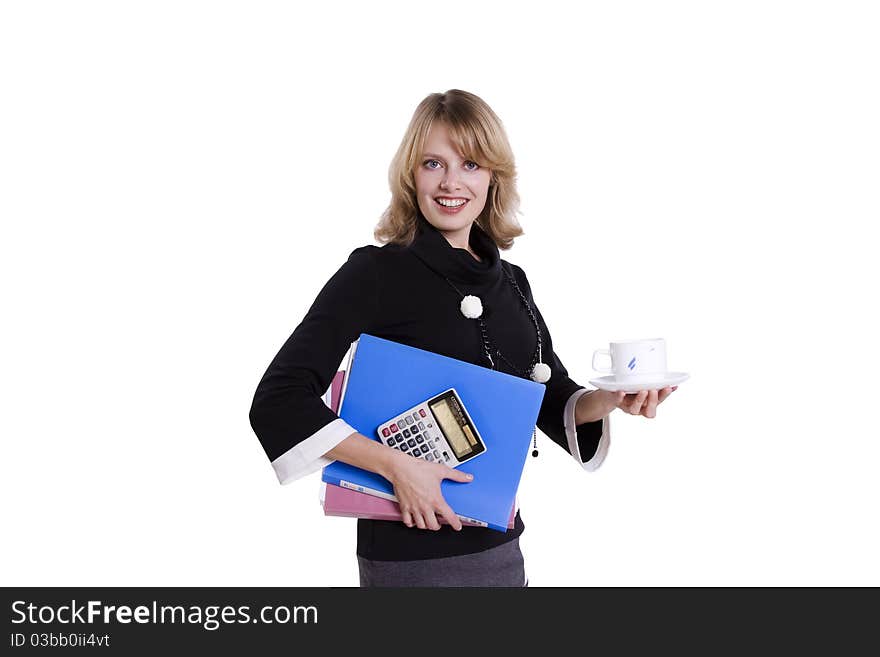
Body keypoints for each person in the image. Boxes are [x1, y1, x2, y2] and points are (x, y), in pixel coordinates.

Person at [248, 89, 676, 587]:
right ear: (412, 174)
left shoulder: (512, 281)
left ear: (493, 177)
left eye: (471, 164)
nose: (452, 182)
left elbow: (548, 396)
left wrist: (610, 399)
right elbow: (279, 399)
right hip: (410, 557)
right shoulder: (376, 272)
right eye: (434, 163)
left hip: (501, 545)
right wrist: (395, 466)